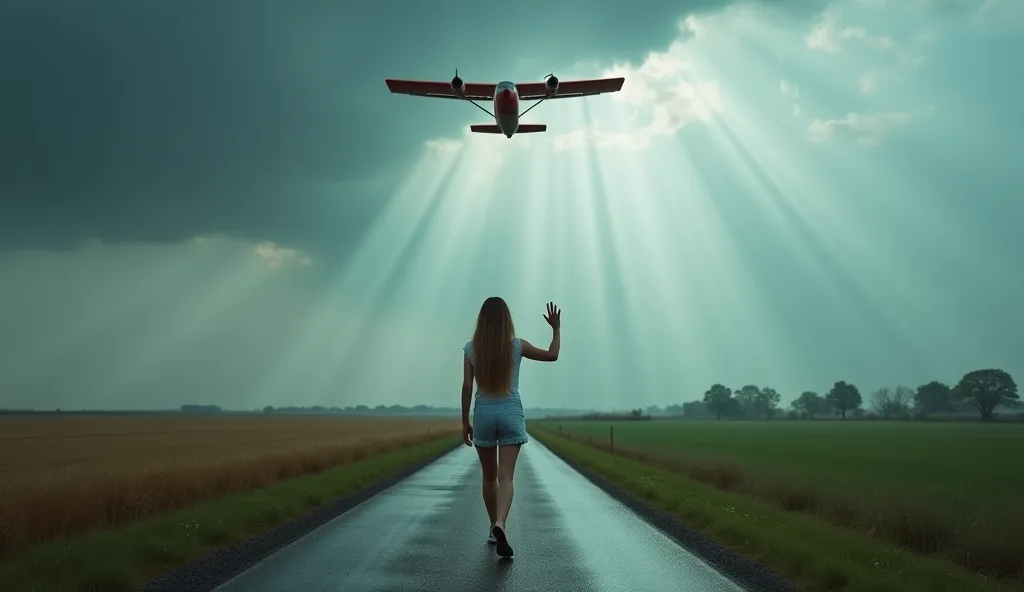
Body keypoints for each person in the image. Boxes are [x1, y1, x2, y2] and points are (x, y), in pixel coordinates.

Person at [461, 298, 560, 559]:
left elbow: (467, 387)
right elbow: (553, 355)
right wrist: (556, 329)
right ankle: (501, 523)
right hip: (510, 410)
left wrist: (464, 421)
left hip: (482, 411)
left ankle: (494, 528)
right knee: (506, 477)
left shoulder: (471, 349)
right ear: (507, 320)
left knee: (488, 477)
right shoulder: (518, 346)